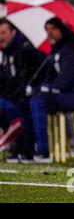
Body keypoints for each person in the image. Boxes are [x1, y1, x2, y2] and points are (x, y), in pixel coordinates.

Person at [28, 18, 74, 163]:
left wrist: (47, 89)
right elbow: (50, 77)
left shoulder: (71, 50)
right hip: (64, 95)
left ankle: (43, 150)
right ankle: (34, 148)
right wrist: (38, 87)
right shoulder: (56, 51)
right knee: (33, 99)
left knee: (37, 102)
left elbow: (66, 79)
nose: (49, 33)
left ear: (61, 30)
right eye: (47, 29)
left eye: (53, 29)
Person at [0, 18, 45, 162]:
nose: (0, 36)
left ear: (13, 32)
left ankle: (21, 147)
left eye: (3, 32)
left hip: (23, 99)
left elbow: (23, 79)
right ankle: (16, 147)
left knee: (10, 108)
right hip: (14, 98)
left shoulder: (24, 50)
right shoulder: (7, 51)